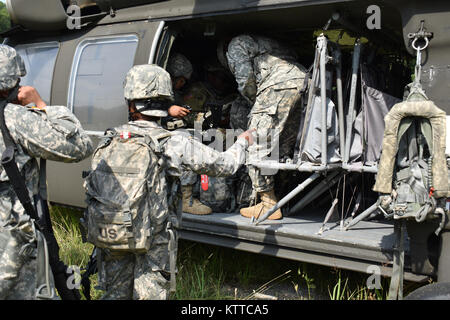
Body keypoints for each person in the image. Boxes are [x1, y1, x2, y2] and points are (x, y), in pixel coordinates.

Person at [84, 64, 254, 300]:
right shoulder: (174, 142)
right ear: (165, 99)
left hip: (112, 233)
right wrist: (243, 141)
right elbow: (225, 165)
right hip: (154, 239)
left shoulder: (111, 138)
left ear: (130, 102)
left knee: (114, 295)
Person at [0, 45, 93, 299]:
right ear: (12, 84)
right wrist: (41, 105)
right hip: (13, 242)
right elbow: (79, 147)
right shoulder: (14, 118)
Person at [218, 34, 306, 220]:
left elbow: (246, 79)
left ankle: (268, 204)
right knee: (280, 148)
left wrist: (255, 103)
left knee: (255, 143)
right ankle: (282, 198)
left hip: (277, 87)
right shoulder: (267, 43)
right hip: (304, 83)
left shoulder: (236, 43)